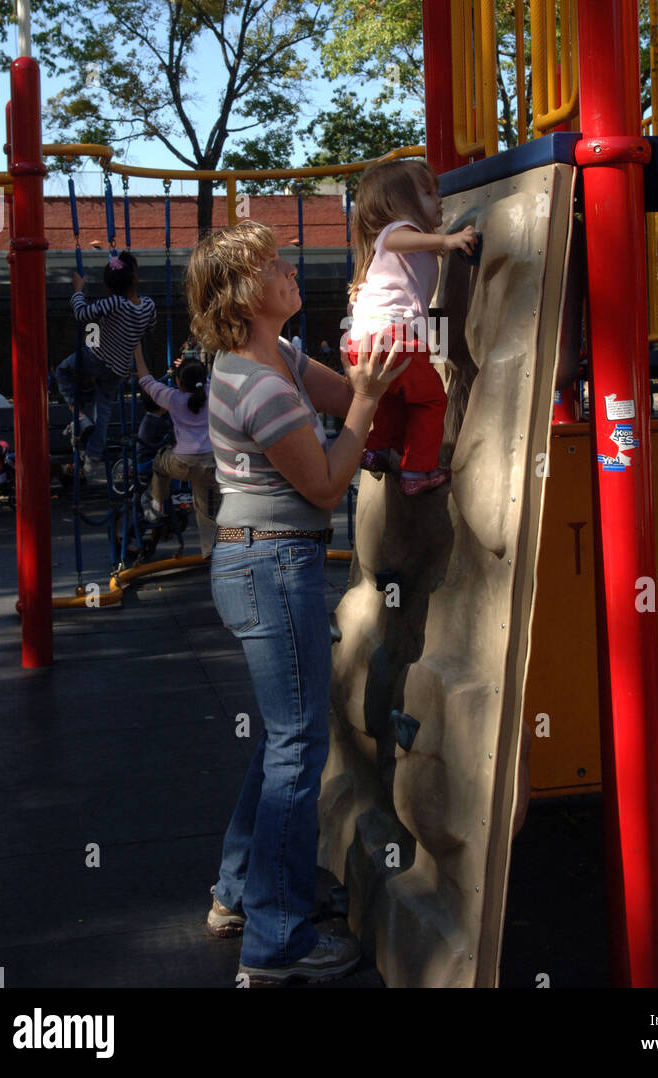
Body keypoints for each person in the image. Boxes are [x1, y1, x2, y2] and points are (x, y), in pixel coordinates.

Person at [185, 220, 409, 986]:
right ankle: (274, 945)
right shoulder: (254, 383)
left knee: (283, 742)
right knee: (296, 750)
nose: (288, 271)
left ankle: (236, 893)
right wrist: (371, 404)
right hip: (269, 567)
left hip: (263, 562)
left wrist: (382, 365)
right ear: (245, 296)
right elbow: (324, 481)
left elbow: (345, 394)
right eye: (271, 266)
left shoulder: (270, 354)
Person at [347, 159, 477, 495]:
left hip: (364, 338)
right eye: (428, 193)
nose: (439, 199)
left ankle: (378, 449)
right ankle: (419, 470)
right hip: (394, 336)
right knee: (431, 400)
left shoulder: (392, 247)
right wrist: (445, 241)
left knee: (392, 396)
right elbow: (397, 241)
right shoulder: (398, 231)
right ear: (401, 203)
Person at [54, 251, 156, 476]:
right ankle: (93, 455)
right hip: (118, 369)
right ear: (135, 279)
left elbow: (82, 314)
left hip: (96, 358)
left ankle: (79, 416)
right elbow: (149, 328)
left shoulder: (114, 303)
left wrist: (78, 290)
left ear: (109, 288)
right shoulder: (148, 306)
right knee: (104, 409)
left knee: (62, 372)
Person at [133, 343, 217, 557]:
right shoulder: (211, 391)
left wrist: (137, 351)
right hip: (210, 463)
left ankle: (157, 503)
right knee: (205, 510)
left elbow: (146, 380)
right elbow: (206, 377)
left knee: (160, 462)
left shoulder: (172, 398)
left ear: (178, 382)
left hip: (182, 462)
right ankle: (211, 553)